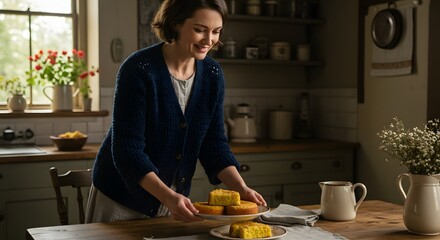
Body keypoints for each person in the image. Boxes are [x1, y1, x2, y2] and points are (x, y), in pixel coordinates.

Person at [85, 0, 266, 223]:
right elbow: (127, 152)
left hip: (170, 201)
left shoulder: (212, 74)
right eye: (199, 30)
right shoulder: (139, 69)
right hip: (120, 199)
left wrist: (242, 189)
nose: (208, 40)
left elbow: (214, 145)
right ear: (175, 24)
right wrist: (168, 197)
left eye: (216, 32)